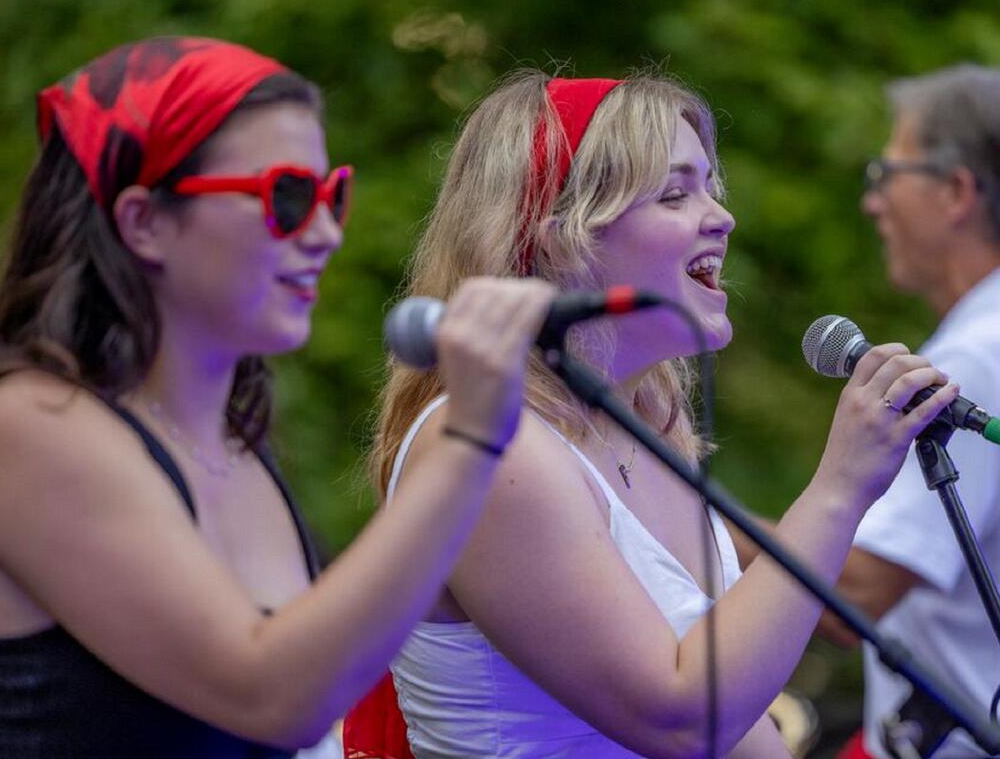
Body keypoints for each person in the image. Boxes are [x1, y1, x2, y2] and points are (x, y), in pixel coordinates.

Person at [344, 71, 960, 758]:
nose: (721, 218)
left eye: (709, 188)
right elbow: (683, 718)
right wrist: (841, 487)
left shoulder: (647, 424)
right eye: (674, 193)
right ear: (557, 239)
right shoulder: (497, 446)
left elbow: (745, 728)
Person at [0, 37, 556, 758]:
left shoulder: (231, 443)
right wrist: (467, 444)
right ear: (143, 222)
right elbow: (273, 696)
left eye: (330, 194)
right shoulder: (26, 425)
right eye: (285, 196)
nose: (325, 233)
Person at [824, 65, 1000, 759]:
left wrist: (692, 514)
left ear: (955, 191)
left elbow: (858, 589)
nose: (874, 202)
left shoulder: (980, 354)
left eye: (886, 172)